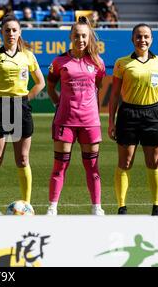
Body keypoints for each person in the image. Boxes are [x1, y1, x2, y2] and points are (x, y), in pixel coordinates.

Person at [0, 13, 45, 215]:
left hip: (21, 107)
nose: (11, 33)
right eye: (7, 30)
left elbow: (40, 82)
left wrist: (26, 99)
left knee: (22, 159)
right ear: (1, 33)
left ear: (19, 32)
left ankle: (27, 206)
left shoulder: (28, 56)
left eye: (14, 30)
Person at [108, 23, 158, 216]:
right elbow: (114, 95)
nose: (142, 40)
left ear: (151, 39)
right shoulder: (122, 62)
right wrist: (111, 121)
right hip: (128, 115)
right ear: (132, 39)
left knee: (153, 162)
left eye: (146, 37)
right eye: (138, 36)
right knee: (125, 163)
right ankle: (121, 206)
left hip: (153, 115)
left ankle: (157, 206)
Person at [45, 16, 106, 216]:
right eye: (77, 36)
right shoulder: (59, 61)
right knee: (59, 166)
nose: (80, 39)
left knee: (92, 167)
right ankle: (52, 207)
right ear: (70, 37)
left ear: (89, 38)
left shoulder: (97, 62)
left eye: (84, 36)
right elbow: (51, 85)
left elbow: (98, 86)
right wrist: (58, 103)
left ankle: (96, 207)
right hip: (65, 121)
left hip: (90, 122)